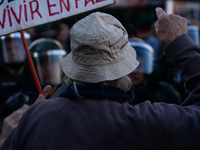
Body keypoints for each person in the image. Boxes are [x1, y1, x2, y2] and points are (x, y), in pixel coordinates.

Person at [1, 8, 200, 150]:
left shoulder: (37, 118)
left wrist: (34, 119)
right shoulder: (146, 122)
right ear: (122, 73)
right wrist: (180, 44)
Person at [128, 39, 182, 105]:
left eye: (139, 65)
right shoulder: (117, 93)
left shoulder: (162, 92)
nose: (134, 71)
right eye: (129, 66)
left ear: (148, 65)